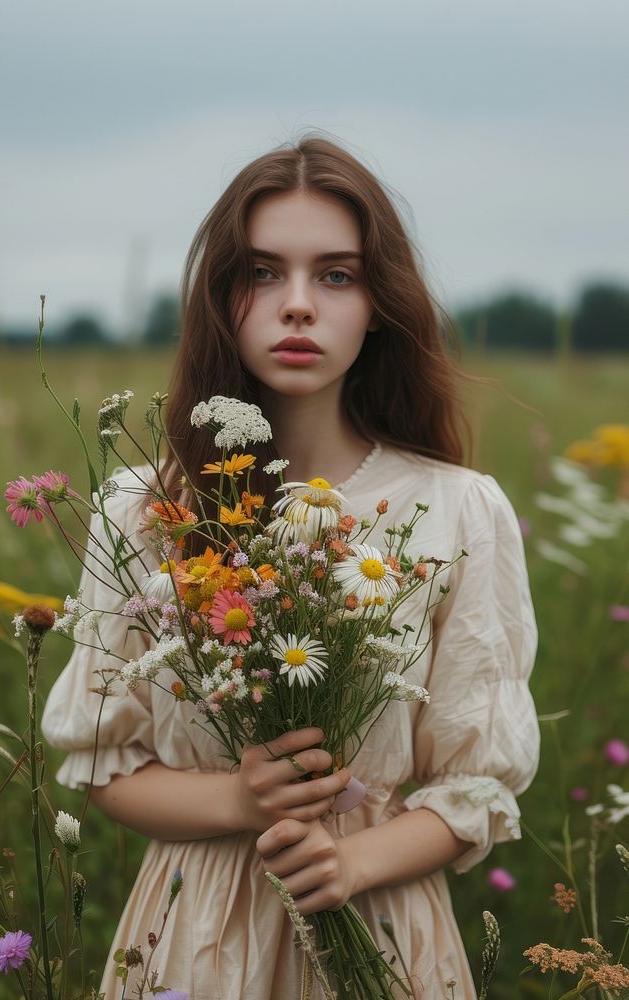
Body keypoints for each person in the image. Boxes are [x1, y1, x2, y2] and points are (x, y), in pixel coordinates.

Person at [41, 134, 540, 1000]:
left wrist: (349, 864)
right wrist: (239, 802)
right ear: (220, 299)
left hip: (383, 927)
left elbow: (476, 785)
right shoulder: (147, 511)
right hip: (199, 933)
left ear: (379, 302)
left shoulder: (456, 511)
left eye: (336, 275)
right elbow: (103, 761)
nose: (298, 306)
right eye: (263, 273)